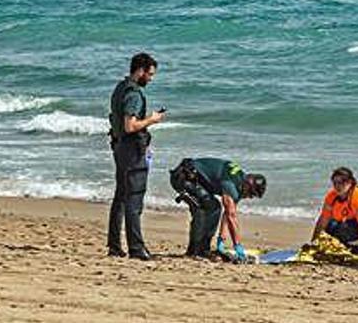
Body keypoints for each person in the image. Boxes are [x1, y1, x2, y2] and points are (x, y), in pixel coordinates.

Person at [106, 52, 165, 260]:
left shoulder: (120, 88)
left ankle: (114, 245)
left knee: (121, 196)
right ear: (139, 71)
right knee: (134, 199)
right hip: (132, 151)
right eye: (149, 74)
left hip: (120, 147)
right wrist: (152, 119)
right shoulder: (134, 94)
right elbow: (130, 125)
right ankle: (136, 248)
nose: (151, 78)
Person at [169, 157, 267, 260]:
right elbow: (231, 217)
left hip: (194, 178)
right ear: (248, 185)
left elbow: (228, 213)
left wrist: (221, 239)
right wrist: (237, 245)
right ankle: (195, 251)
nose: (249, 197)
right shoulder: (231, 184)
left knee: (214, 208)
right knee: (207, 207)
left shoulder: (240, 184)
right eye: (251, 194)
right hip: (183, 177)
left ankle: (202, 249)